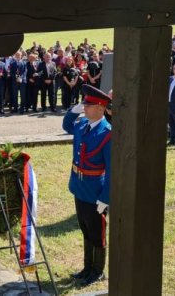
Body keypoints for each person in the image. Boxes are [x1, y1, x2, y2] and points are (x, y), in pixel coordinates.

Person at [62, 85, 112, 287]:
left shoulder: (107, 133)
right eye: (84, 104)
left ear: (100, 108)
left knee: (96, 233)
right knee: (85, 229)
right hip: (79, 187)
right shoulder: (83, 124)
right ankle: (87, 268)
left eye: (88, 105)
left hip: (95, 192)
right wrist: (73, 111)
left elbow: (112, 171)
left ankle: (98, 270)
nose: (84, 107)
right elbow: (66, 125)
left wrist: (105, 198)